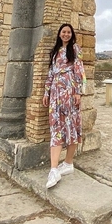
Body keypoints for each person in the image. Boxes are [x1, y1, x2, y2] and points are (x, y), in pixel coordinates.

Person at [42, 23, 86, 189]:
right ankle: (54, 168)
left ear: (71, 34)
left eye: (68, 32)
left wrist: (77, 92)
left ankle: (68, 163)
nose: (66, 34)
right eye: (64, 32)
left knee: (71, 126)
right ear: (59, 34)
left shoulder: (75, 48)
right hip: (55, 94)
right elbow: (51, 73)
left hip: (69, 92)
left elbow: (80, 71)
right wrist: (46, 92)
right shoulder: (54, 52)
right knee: (56, 128)